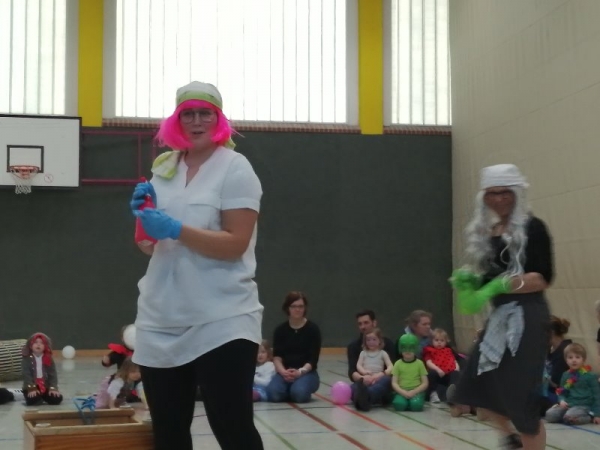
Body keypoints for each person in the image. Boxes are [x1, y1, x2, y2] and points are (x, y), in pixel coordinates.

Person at [130, 81, 264, 450]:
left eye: (205, 113)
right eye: (187, 114)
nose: (196, 121)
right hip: (161, 319)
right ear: (176, 120)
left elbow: (235, 245)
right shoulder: (164, 168)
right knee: (169, 434)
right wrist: (144, 222)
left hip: (223, 319)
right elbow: (149, 247)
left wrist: (175, 228)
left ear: (219, 119)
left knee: (233, 430)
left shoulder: (235, 168)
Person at [449, 164, 553, 450]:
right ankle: (510, 438)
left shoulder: (533, 228)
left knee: (522, 398)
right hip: (499, 316)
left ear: (516, 193)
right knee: (476, 382)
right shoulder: (490, 233)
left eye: (505, 192)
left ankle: (525, 438)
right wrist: (473, 281)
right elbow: (488, 278)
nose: (499, 199)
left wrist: (502, 285)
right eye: (492, 193)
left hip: (527, 317)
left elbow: (542, 278)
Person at [266, 291, 321, 403]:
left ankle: (296, 389)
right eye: (294, 306)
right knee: (273, 394)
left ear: (305, 308)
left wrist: (300, 372)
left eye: (301, 306)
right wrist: (283, 372)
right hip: (285, 372)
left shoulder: (313, 329)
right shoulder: (280, 330)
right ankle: (290, 389)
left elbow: (313, 359)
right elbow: (277, 357)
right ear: (287, 308)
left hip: (306, 372)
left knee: (299, 395)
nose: (297, 309)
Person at [347, 310, 397, 411]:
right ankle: (365, 397)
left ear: (374, 323)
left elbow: (393, 369)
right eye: (360, 324)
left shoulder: (387, 344)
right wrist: (363, 378)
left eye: (366, 323)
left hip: (382, 381)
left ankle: (366, 397)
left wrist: (379, 376)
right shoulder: (353, 346)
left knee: (386, 381)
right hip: (364, 380)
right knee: (352, 388)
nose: (363, 326)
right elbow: (352, 371)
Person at [545, 343, 600, 425]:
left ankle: (589, 416)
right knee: (549, 415)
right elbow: (561, 391)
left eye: (577, 357)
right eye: (570, 357)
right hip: (569, 404)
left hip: (584, 405)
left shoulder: (590, 376)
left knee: (569, 416)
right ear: (566, 360)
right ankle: (569, 417)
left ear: (583, 359)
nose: (574, 360)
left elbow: (597, 396)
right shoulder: (565, 375)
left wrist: (597, 414)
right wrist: (561, 400)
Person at [21, 333, 63, 406]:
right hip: (31, 386)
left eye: (42, 343)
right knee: (33, 401)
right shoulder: (26, 359)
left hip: (45, 386)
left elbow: (53, 374)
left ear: (45, 346)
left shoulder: (48, 358)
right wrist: (32, 388)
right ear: (30, 345)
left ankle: (42, 396)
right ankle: (37, 397)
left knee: (56, 399)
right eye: (36, 342)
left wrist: (53, 388)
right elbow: (26, 374)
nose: (38, 345)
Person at [391, 334, 428, 412]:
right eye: (404, 348)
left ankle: (411, 403)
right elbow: (394, 383)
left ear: (415, 349)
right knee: (399, 405)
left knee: (416, 405)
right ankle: (405, 403)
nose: (407, 351)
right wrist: (403, 392)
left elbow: (425, 383)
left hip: (416, 392)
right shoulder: (397, 364)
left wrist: (414, 392)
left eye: (411, 348)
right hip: (402, 391)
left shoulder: (419, 363)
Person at [422, 328, 460, 403]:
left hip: (448, 373)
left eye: (442, 341)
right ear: (432, 341)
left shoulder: (448, 351)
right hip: (437, 373)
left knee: (455, 374)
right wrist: (438, 370)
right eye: (436, 340)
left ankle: (453, 393)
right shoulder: (429, 350)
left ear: (446, 342)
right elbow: (428, 362)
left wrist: (456, 368)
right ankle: (433, 393)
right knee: (432, 374)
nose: (439, 342)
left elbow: (454, 361)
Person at [544, 316, 572, 405]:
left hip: (560, 395)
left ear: (551, 332)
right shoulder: (550, 348)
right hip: (549, 390)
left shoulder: (565, 351)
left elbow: (557, 383)